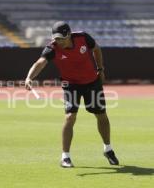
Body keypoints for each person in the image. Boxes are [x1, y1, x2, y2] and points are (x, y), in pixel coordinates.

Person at [25, 21, 119, 168]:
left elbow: (96, 49)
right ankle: (65, 157)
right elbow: (40, 63)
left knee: (101, 115)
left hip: (92, 82)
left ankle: (108, 149)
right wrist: (29, 77)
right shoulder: (52, 48)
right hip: (71, 85)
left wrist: (100, 69)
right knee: (70, 117)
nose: (58, 41)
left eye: (60, 38)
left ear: (68, 35)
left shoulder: (83, 38)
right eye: (55, 38)